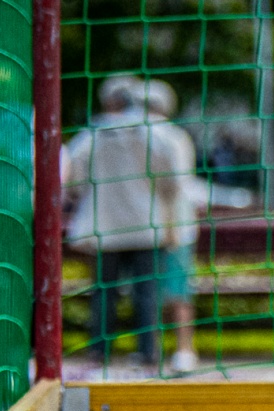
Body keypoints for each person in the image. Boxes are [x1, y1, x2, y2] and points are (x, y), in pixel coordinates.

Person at [63, 74, 195, 370]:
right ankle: (147, 352)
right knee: (145, 292)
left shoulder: (93, 134)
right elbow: (172, 178)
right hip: (145, 223)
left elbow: (74, 175)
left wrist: (87, 194)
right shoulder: (153, 133)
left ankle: (99, 352)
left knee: (104, 291)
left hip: (105, 225)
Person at [141, 80, 203, 374]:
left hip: (164, 224)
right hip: (170, 224)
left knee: (163, 290)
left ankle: (175, 350)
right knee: (173, 290)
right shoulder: (176, 136)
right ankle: (177, 350)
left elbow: (176, 183)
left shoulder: (159, 136)